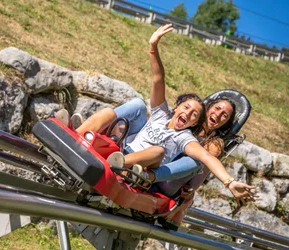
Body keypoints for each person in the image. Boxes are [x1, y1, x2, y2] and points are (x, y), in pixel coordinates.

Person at [73, 24, 254, 201]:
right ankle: (77, 135)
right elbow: (158, 79)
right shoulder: (161, 113)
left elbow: (206, 157)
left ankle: (117, 165)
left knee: (159, 151)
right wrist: (153, 47)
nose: (188, 113)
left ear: (194, 123)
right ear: (176, 106)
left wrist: (229, 182)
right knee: (136, 104)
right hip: (124, 147)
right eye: (186, 108)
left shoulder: (186, 138)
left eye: (194, 115)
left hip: (140, 168)